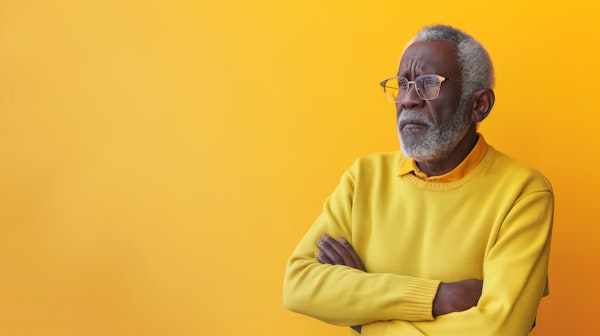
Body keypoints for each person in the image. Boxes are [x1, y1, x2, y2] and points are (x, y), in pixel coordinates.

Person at [283, 24, 553, 336]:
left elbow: (498, 328)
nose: (408, 100)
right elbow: (298, 284)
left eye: (428, 84)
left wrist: (364, 318)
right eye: (402, 84)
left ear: (479, 105)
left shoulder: (524, 192)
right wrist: (439, 297)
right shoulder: (364, 176)